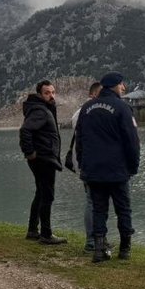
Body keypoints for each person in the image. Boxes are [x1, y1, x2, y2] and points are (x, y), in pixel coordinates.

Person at [76, 71, 140, 263]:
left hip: (93, 170)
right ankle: (125, 249)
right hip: (117, 170)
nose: (124, 88)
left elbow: (80, 140)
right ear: (114, 86)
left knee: (99, 210)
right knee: (123, 209)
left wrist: (83, 165)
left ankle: (98, 249)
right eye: (121, 85)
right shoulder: (122, 108)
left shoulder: (86, 108)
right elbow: (132, 141)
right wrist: (133, 166)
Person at [20, 80, 66, 245]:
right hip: (43, 158)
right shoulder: (40, 110)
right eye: (47, 93)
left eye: (53, 92)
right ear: (40, 94)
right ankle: (46, 234)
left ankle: (33, 230)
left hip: (44, 157)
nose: (51, 96)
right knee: (47, 195)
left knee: (40, 193)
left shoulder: (43, 108)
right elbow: (25, 130)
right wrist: (30, 153)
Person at [65, 82, 102, 251]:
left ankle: (96, 238)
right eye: (101, 93)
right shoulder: (87, 112)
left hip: (84, 162)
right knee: (92, 201)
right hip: (89, 163)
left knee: (93, 200)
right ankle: (92, 241)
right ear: (93, 94)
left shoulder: (80, 112)